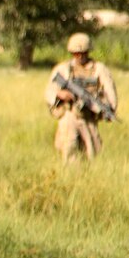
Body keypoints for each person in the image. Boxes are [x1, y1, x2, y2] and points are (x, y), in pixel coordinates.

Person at [44, 32, 117, 162]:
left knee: (92, 152)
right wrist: (60, 95)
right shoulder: (64, 69)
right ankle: (70, 178)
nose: (80, 56)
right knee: (69, 149)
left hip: (88, 118)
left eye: (83, 53)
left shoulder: (99, 69)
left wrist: (107, 108)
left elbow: (110, 93)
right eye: (76, 53)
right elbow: (50, 91)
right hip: (69, 115)